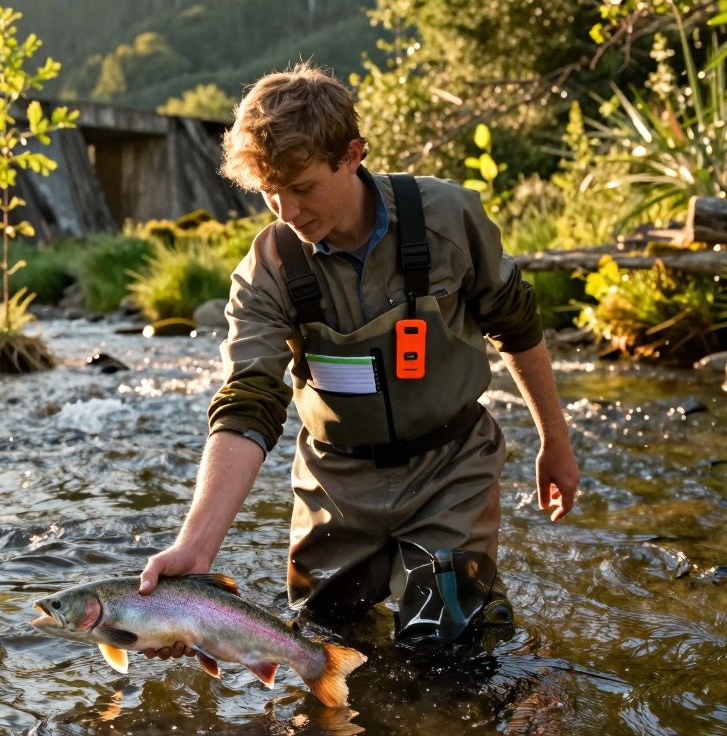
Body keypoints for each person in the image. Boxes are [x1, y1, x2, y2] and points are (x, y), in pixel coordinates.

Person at [137, 62, 579, 656]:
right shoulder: (267, 270)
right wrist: (196, 547)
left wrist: (557, 439)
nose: (287, 211)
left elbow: (517, 323)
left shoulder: (450, 219)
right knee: (321, 642)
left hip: (451, 467)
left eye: (301, 187)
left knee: (446, 644)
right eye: (270, 192)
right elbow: (249, 404)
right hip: (335, 482)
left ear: (352, 154)